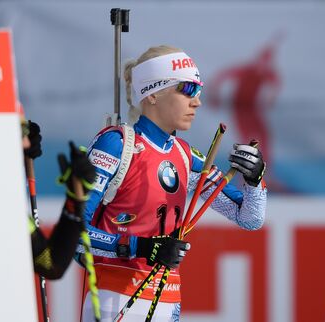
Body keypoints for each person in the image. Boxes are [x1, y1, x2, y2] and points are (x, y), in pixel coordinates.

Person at [76, 45, 267, 322]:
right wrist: (139, 247)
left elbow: (250, 218)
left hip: (167, 303)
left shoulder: (185, 155)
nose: (197, 101)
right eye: (187, 90)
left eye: (199, 91)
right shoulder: (118, 144)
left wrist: (255, 179)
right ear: (153, 93)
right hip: (115, 299)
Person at [22, 118, 96, 279]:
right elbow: (52, 266)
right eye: (20, 133)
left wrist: (74, 199)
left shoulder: (0, 204)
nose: (28, 143)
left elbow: (52, 264)